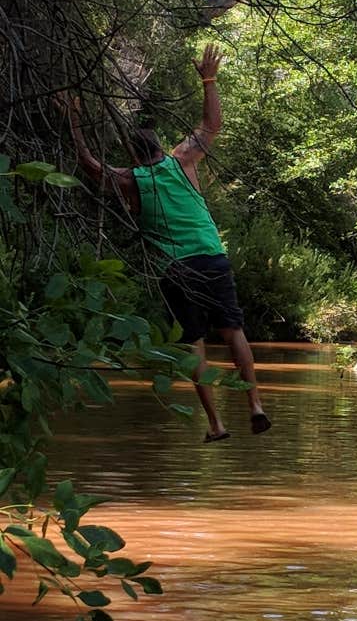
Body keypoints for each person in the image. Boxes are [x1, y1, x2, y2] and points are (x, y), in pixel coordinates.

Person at [61, 44, 271, 442]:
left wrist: (73, 123)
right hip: (213, 257)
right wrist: (209, 80)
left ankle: (215, 423)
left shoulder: (131, 179)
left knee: (194, 342)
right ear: (161, 147)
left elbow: (90, 167)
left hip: (177, 269)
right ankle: (255, 404)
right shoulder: (182, 160)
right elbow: (211, 126)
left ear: (135, 155)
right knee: (233, 330)